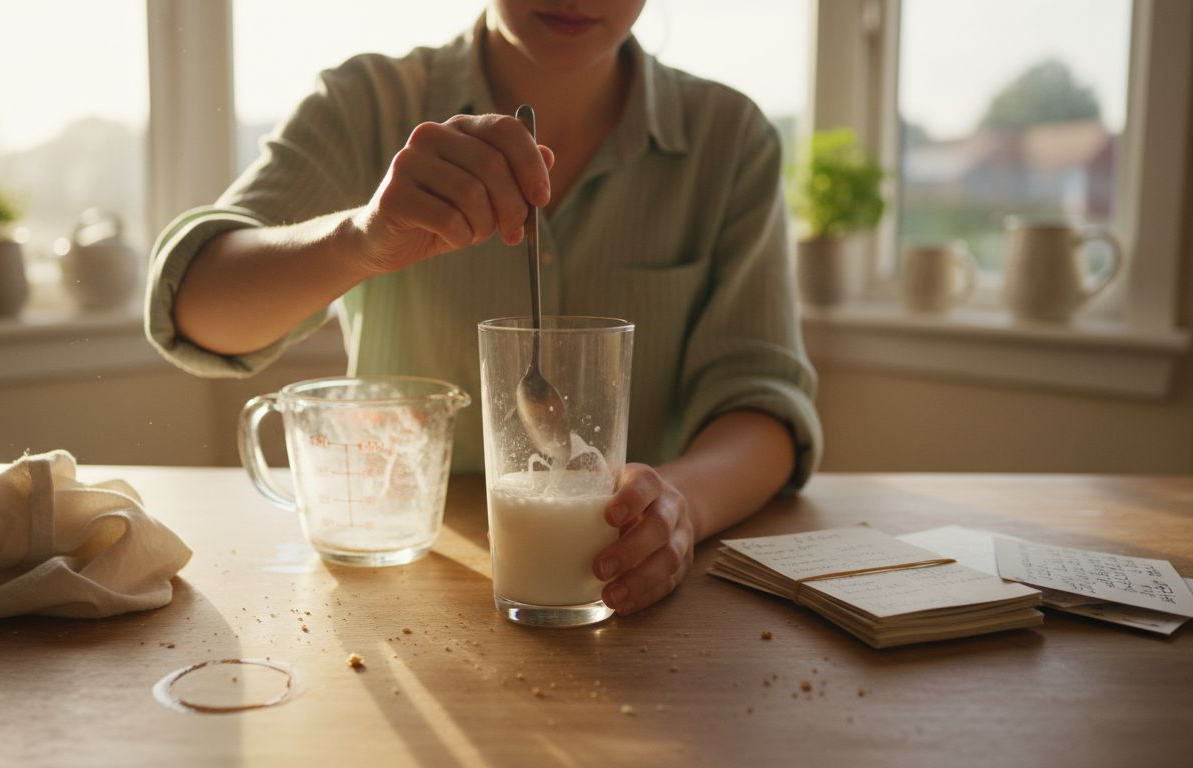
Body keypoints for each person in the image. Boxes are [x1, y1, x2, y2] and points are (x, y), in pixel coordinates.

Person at [146, 0, 821, 616]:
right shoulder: (369, 103)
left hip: (633, 604)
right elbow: (196, 308)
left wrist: (680, 506)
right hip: (397, 590)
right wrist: (362, 239)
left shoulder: (727, 139)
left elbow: (763, 404)